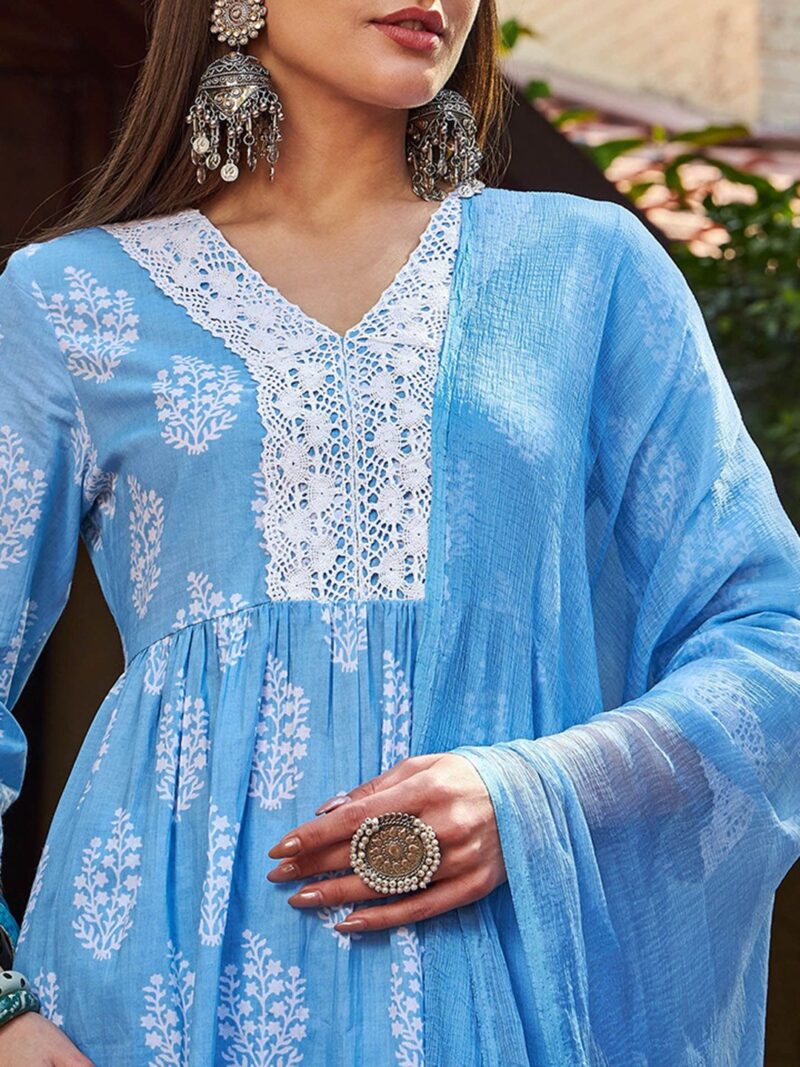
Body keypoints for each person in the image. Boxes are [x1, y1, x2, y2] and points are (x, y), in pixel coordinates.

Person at [1, 1, 799, 1065]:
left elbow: (771, 635)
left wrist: (535, 791)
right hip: (149, 992)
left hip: (489, 987)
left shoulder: (587, 269)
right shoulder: (68, 298)